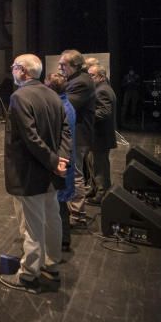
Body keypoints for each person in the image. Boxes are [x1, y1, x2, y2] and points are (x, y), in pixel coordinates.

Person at [0, 54, 70, 293]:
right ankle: (51, 265)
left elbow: (30, 138)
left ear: (23, 71)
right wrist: (61, 160)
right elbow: (65, 131)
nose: (12, 70)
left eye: (14, 67)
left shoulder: (19, 97)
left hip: (30, 172)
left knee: (33, 226)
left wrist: (52, 161)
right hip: (51, 173)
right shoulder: (53, 94)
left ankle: (29, 275)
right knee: (52, 218)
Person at [58, 50, 95, 225]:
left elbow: (65, 106)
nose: (59, 68)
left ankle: (77, 214)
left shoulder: (81, 83)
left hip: (78, 135)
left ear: (75, 66)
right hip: (77, 134)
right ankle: (75, 211)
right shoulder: (76, 80)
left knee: (76, 174)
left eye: (63, 65)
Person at [47, 73, 77, 252]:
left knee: (58, 204)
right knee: (60, 203)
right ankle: (62, 238)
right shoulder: (66, 104)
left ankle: (62, 240)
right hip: (65, 159)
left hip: (61, 160)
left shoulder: (61, 107)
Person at [87, 64, 117, 204]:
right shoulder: (103, 88)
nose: (89, 78)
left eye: (92, 75)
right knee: (94, 163)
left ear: (101, 76)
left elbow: (104, 112)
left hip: (100, 137)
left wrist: (86, 116)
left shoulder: (102, 91)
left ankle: (101, 194)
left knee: (100, 167)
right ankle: (95, 189)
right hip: (99, 136)